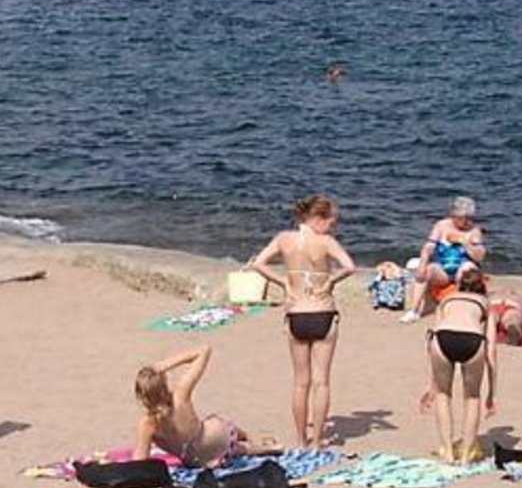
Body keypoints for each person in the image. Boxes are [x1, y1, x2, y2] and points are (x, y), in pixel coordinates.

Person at [246, 194, 358, 448]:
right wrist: (330, 281)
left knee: (300, 382)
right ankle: (316, 440)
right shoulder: (325, 242)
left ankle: (300, 439)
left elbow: (259, 264)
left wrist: (283, 282)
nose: (332, 228)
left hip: (296, 312)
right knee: (321, 381)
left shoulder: (284, 239)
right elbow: (350, 267)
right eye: (331, 222)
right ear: (318, 218)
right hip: (322, 311)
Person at [132, 344, 281, 467]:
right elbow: (204, 350)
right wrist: (164, 365)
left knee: (224, 448)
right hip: (216, 437)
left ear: (141, 396)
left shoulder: (148, 423)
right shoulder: (180, 394)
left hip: (196, 459)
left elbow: (140, 461)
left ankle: (256, 447)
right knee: (218, 424)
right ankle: (258, 443)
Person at [419, 265, 494, 462]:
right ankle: (467, 454)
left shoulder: (446, 299)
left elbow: (433, 337)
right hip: (472, 340)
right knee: (472, 397)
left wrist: (430, 385)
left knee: (442, 394)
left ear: (459, 285)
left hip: (442, 338)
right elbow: (491, 350)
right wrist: (491, 393)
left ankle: (447, 450)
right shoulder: (486, 304)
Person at [403, 197, 486, 321]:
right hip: (442, 269)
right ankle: (414, 311)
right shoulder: (441, 226)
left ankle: (460, 308)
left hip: (462, 269)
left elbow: (479, 257)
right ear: (453, 216)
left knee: (468, 268)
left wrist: (465, 243)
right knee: (427, 270)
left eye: (468, 218)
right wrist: (423, 263)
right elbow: (429, 247)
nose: (464, 222)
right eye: (460, 218)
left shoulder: (474, 231)